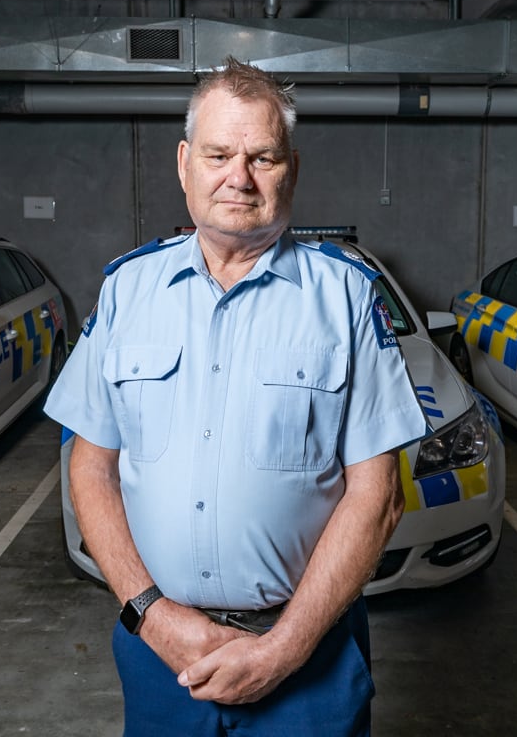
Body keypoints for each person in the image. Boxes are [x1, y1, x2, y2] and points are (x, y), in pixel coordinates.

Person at [44, 56, 427, 736]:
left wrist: (284, 650)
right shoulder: (126, 291)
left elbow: (380, 495)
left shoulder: (343, 296)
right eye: (220, 153)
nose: (239, 178)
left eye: (262, 157)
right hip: (158, 652)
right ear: (185, 163)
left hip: (307, 655)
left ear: (292, 169)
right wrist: (151, 616)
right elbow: (90, 467)